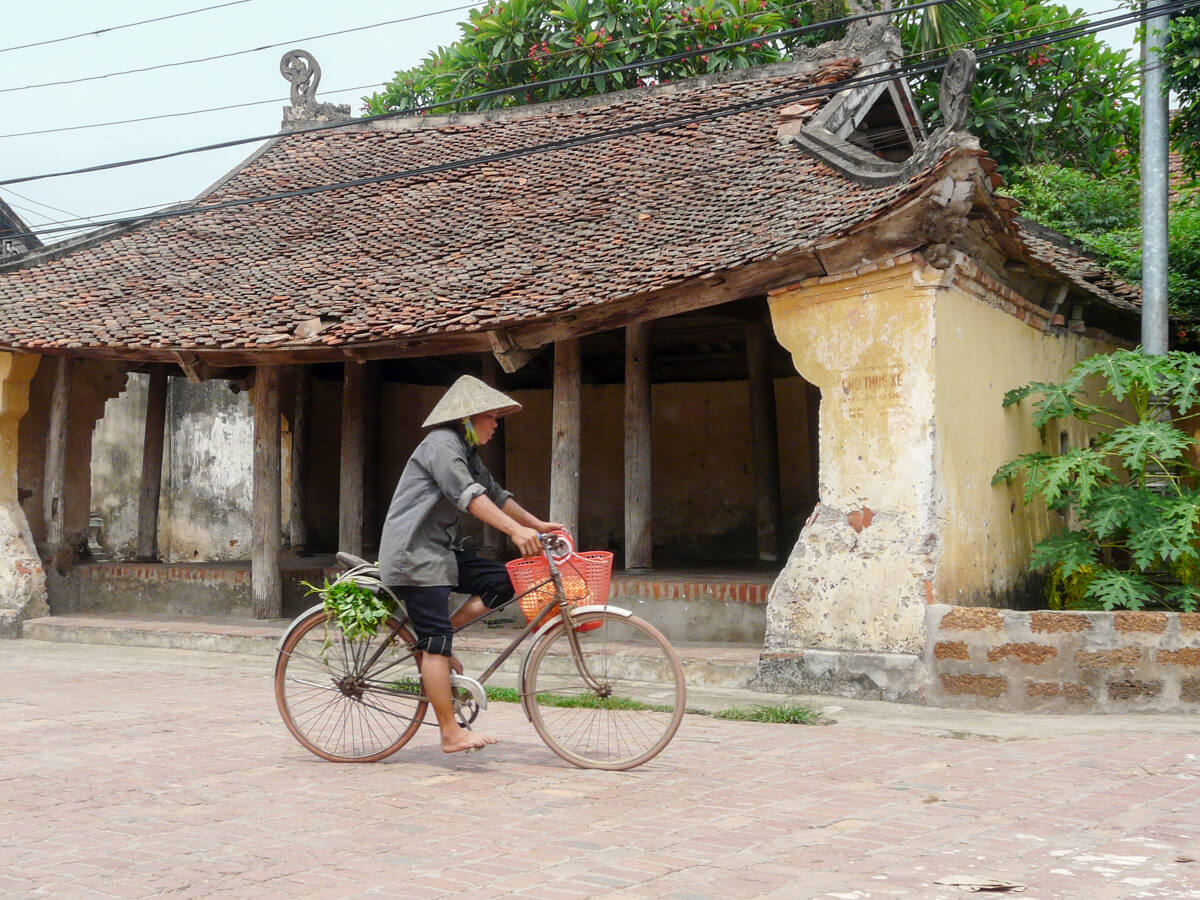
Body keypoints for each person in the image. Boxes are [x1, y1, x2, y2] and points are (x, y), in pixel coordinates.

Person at [378, 374, 562, 754]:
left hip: (438, 552)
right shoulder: (442, 445)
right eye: (491, 417)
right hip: (415, 554)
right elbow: (468, 496)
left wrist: (536, 525)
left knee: (505, 579)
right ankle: (449, 732)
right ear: (469, 417)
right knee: (436, 645)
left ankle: (435, 639)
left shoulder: (466, 450)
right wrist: (514, 531)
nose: (496, 424)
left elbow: (493, 493)